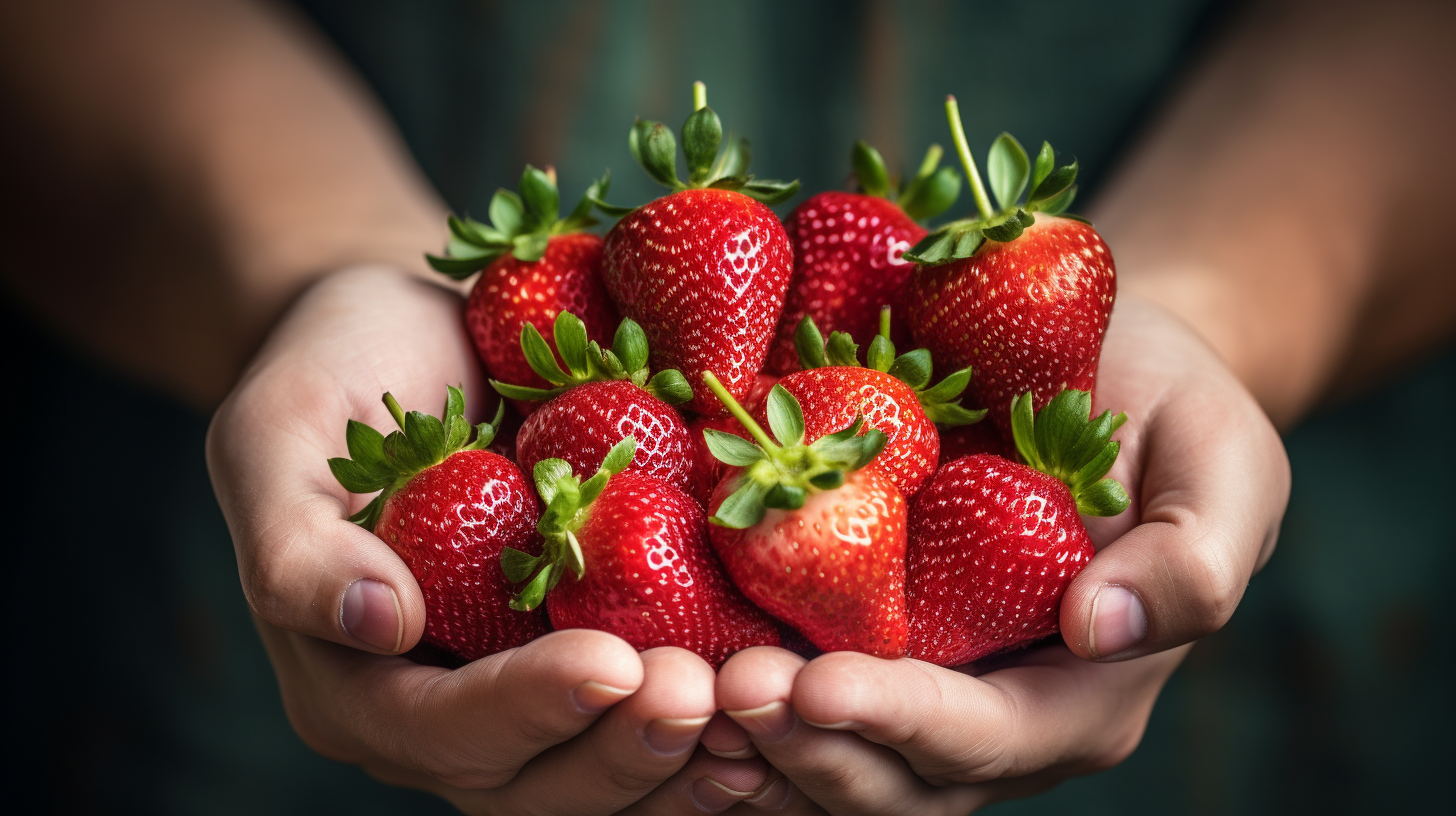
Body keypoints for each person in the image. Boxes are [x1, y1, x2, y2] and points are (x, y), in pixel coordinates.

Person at [2, 0, 1452, 813]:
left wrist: (1212, 310)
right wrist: (312, 269)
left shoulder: (807, 414)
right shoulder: (667, 414)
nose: (729, 433)